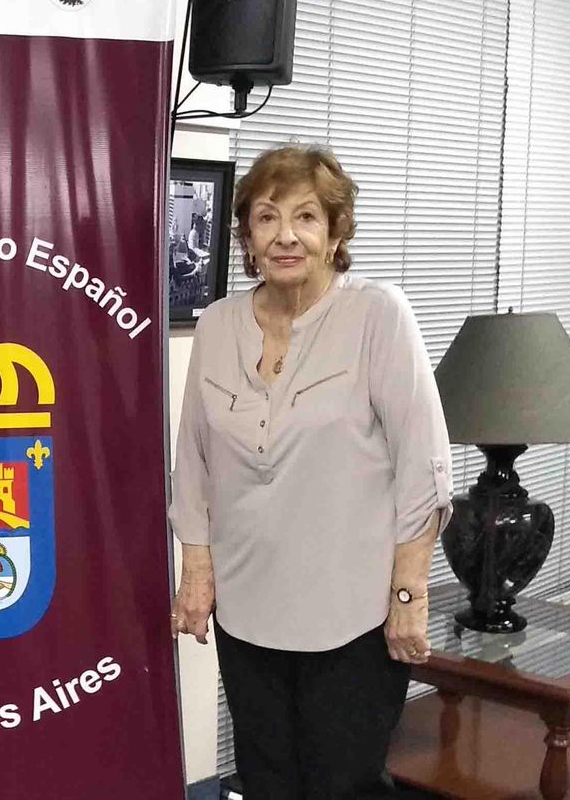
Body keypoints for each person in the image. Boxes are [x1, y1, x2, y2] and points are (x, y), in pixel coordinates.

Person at [169, 144, 452, 799]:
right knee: (265, 781)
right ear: (247, 236)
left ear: (335, 231)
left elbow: (424, 465)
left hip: (352, 615)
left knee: (344, 785)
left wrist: (408, 597)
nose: (285, 235)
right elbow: (194, 460)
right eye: (267, 218)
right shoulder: (218, 325)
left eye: (305, 217)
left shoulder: (377, 315)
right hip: (247, 610)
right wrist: (196, 576)